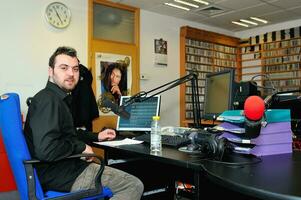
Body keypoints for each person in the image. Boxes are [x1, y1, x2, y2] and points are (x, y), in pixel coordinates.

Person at [24, 46, 144, 200]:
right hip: (63, 175)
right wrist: (81, 147)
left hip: (65, 169)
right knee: (133, 185)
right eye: (64, 68)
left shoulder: (56, 99)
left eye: (75, 69)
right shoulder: (48, 101)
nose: (71, 74)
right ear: (50, 71)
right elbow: (46, 149)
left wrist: (96, 136)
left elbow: (69, 134)